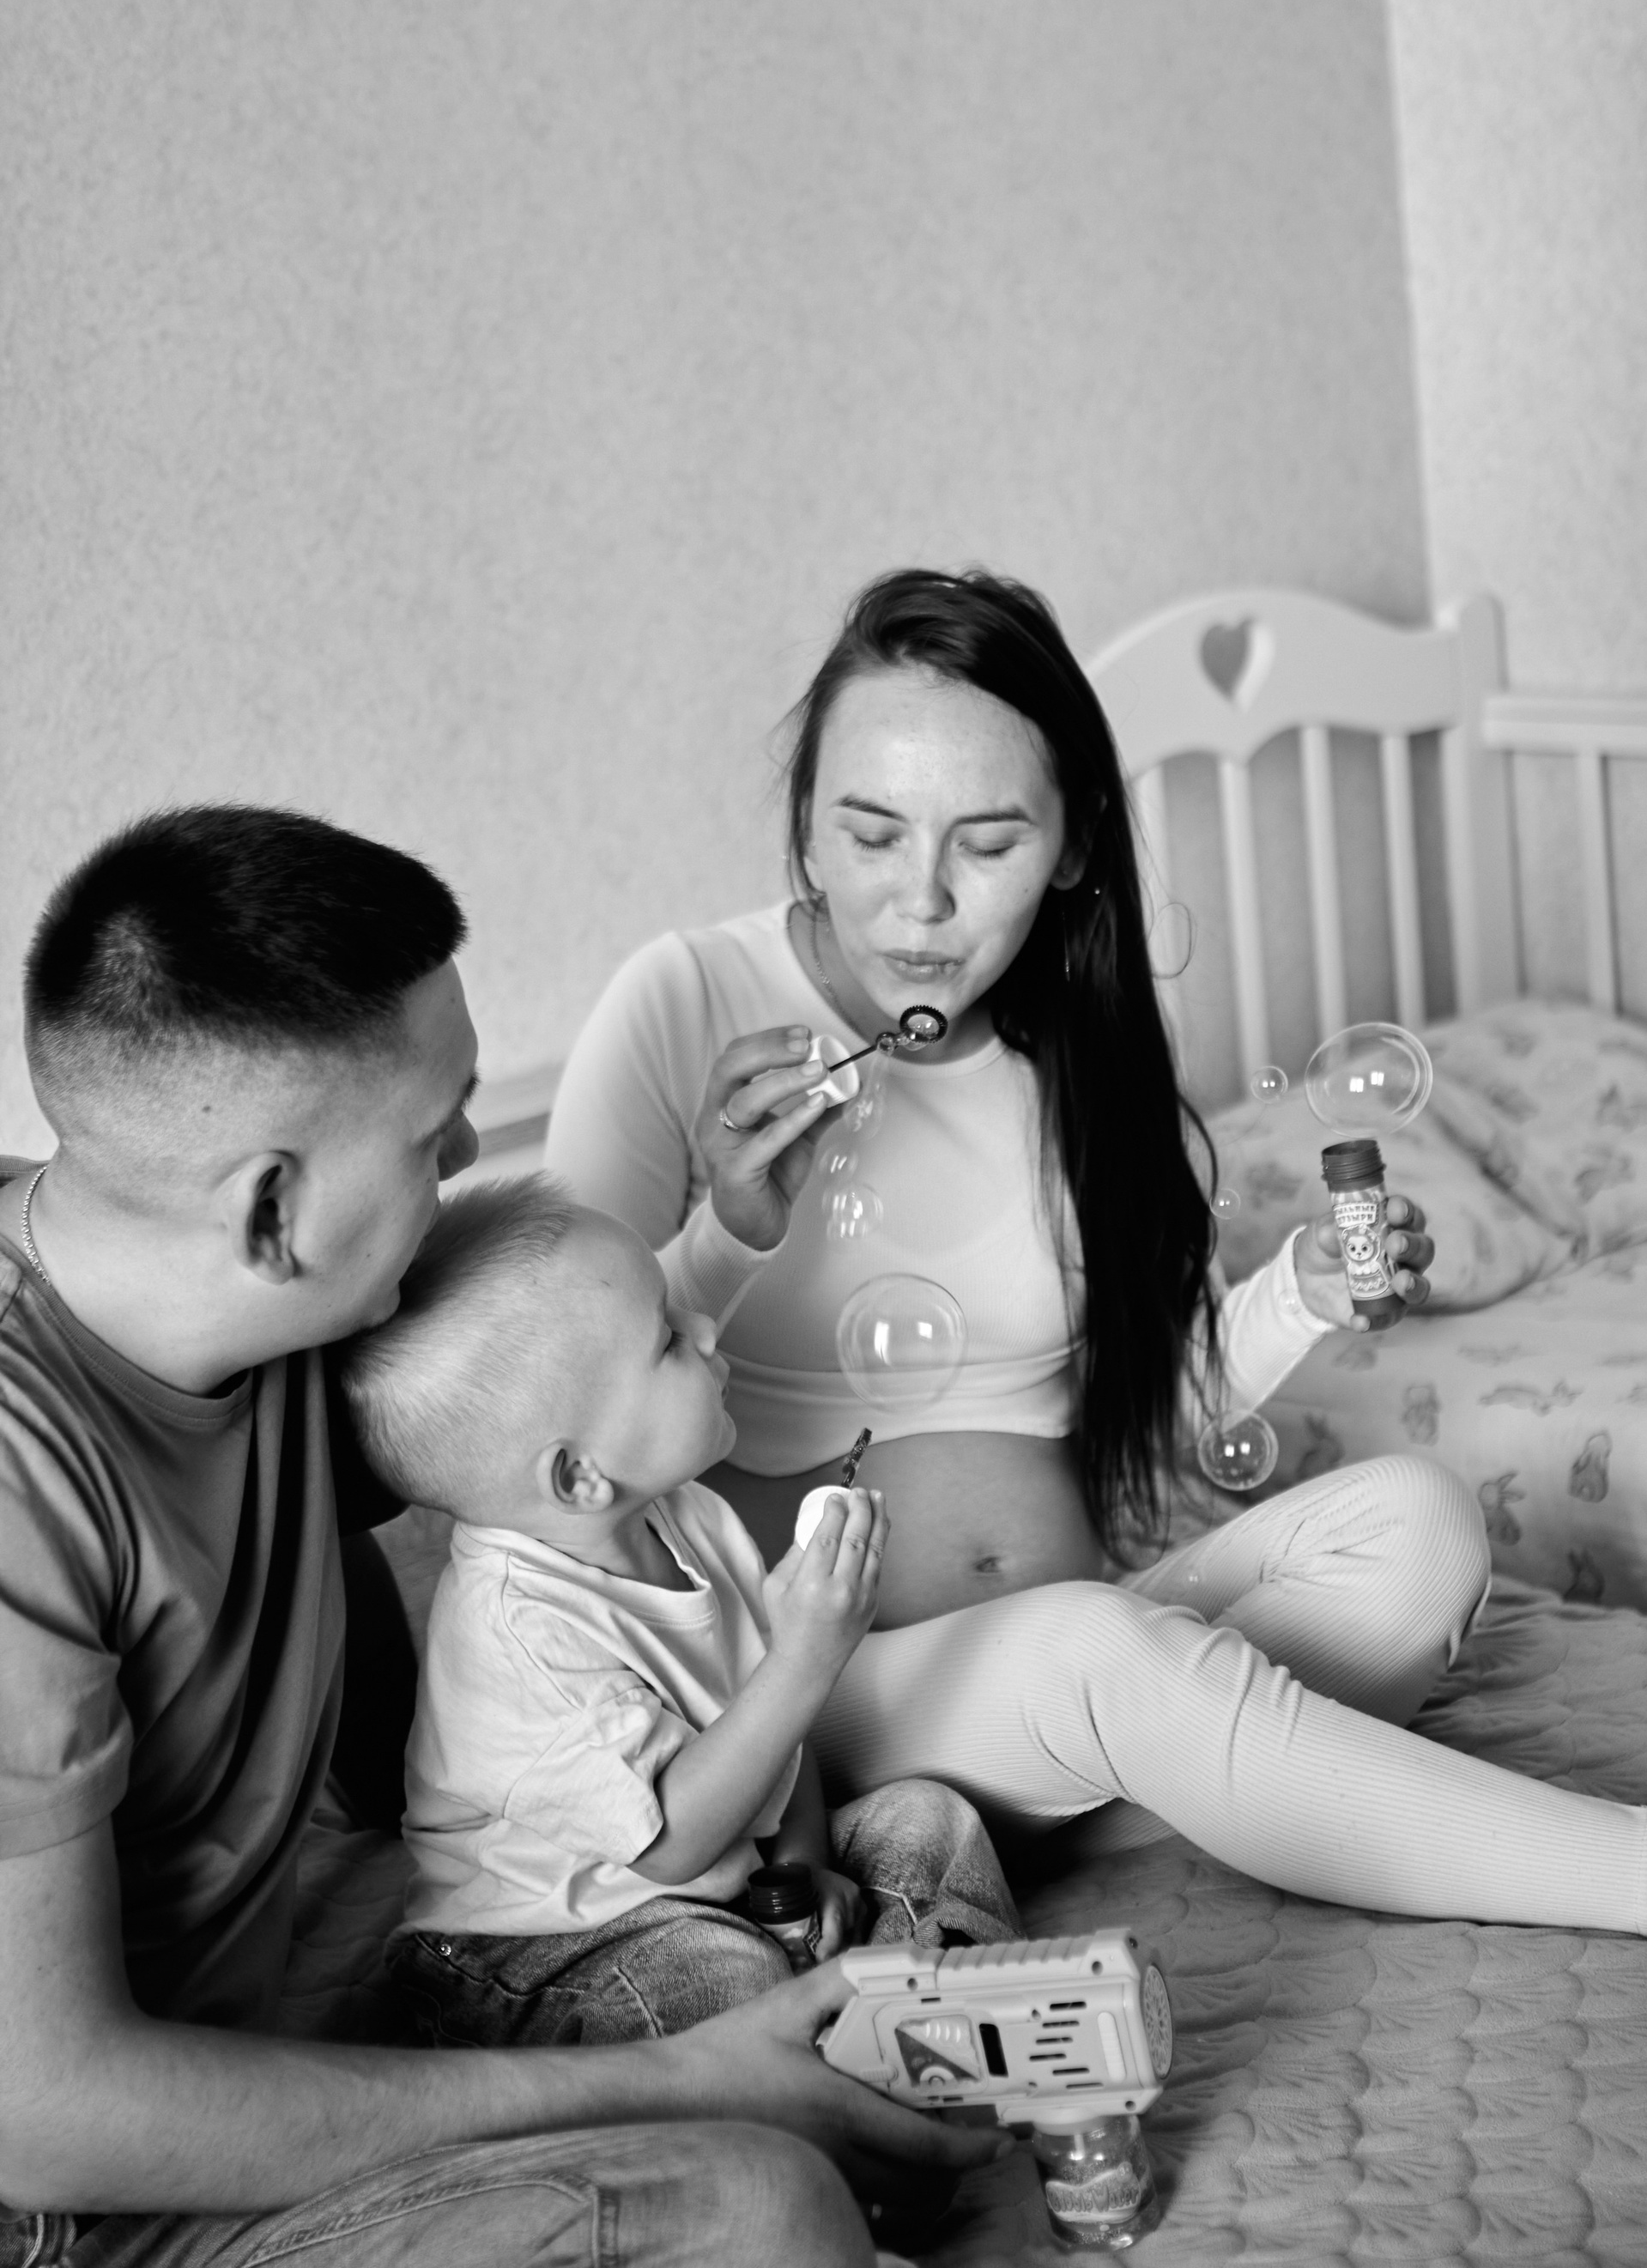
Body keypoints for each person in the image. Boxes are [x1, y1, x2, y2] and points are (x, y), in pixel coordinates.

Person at [546, 568, 1647, 1936]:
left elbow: (1156, 1403)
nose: (921, 902)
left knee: (1421, 1524)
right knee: (1103, 1651)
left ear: (1071, 847)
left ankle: (1127, 1773)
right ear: (807, 829)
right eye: (871, 834)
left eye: (988, 843)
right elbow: (555, 1390)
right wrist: (731, 1224)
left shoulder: (1083, 1060)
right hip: (800, 1698)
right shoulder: (684, 1003)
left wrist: (1300, 1295)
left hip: (1069, 1641)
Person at [0, 805, 1007, 2268]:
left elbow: (550, 1409)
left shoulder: (249, 1316)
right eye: (433, 1138)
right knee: (758, 2205)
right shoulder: (24, 1497)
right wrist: (677, 2075)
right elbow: (49, 2116)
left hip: (239, 2055)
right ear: (272, 1212)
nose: (472, 1149)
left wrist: (725, 1226)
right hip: (80, 2205)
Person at [336, 1176, 1020, 2052]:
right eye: (667, 1338)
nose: (705, 1329)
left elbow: (772, 1739)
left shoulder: (691, 1517)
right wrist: (809, 1656)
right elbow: (672, 1846)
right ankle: (838, 2057)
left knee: (929, 1819)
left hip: (723, 1881)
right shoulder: (518, 1637)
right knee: (727, 1974)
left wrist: (801, 1871)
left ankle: (933, 2026)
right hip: (540, 1947)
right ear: (580, 1476)